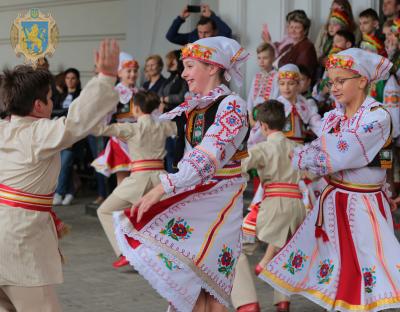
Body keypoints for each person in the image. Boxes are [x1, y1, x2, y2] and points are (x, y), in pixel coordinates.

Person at [113, 37, 249, 312]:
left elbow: (209, 154)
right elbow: (191, 156)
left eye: (189, 66)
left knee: (212, 285)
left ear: (212, 68)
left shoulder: (232, 105)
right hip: (199, 196)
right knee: (193, 281)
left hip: (220, 200)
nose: (184, 74)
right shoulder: (195, 107)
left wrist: (163, 187)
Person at [260, 48, 400, 312]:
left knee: (366, 267)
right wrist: (315, 153)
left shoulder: (377, 116)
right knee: (337, 268)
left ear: (361, 81)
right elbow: (321, 148)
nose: (333, 88)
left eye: (341, 81)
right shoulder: (333, 118)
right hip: (335, 201)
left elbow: (339, 152)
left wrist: (314, 153)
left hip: (363, 205)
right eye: (331, 82)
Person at [0, 39, 119, 312]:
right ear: (39, 105)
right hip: (20, 240)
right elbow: (77, 121)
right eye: (51, 98)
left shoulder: (4, 130)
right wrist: (105, 78)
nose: (53, 104)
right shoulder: (37, 134)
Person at [231, 100, 306, 312]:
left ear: (263, 126)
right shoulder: (298, 148)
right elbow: (313, 171)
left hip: (274, 204)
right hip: (297, 205)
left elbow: (240, 167)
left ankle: (247, 301)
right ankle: (283, 301)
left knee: (237, 245)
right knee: (284, 251)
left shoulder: (262, 148)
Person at [92, 91, 177, 269]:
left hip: (138, 179)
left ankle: (124, 251)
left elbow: (100, 129)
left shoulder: (132, 128)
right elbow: (181, 129)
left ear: (136, 109)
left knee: (105, 211)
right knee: (167, 217)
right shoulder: (164, 126)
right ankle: (176, 254)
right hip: (161, 179)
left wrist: (103, 112)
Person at [92, 52, 139, 185]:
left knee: (138, 176)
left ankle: (134, 205)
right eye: (128, 71)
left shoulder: (139, 92)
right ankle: (122, 205)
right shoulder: (115, 92)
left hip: (138, 137)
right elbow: (104, 115)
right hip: (121, 138)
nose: (132, 74)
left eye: (135, 71)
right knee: (123, 177)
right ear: (120, 73)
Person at [52, 68, 82, 206]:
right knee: (63, 165)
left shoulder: (81, 96)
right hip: (59, 134)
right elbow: (53, 111)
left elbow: (78, 116)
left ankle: (59, 193)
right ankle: (70, 192)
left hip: (73, 136)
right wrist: (66, 112)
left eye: (73, 78)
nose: (70, 81)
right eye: (67, 78)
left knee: (64, 164)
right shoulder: (60, 96)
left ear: (77, 80)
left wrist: (62, 113)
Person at [159, 50, 188, 173]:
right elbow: (160, 92)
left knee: (176, 152)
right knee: (168, 152)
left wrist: (165, 99)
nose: (169, 63)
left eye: (172, 60)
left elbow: (182, 96)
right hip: (167, 117)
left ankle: (176, 181)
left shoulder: (183, 77)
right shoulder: (171, 78)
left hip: (178, 118)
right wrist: (161, 100)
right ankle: (170, 181)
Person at [276, 11, 318, 81]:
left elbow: (301, 76)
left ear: (305, 30)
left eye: (297, 27)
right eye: (291, 27)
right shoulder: (288, 46)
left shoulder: (307, 47)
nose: (293, 30)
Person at [166, 4, 232, 45]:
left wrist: (212, 16)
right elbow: (171, 37)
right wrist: (180, 18)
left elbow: (227, 32)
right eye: (200, 32)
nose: (202, 36)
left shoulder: (219, 39)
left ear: (214, 31)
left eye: (206, 32)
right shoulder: (193, 37)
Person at [247, 42, 278, 127]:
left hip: (269, 117)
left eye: (265, 58)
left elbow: (275, 98)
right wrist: (250, 116)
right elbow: (250, 98)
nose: (261, 61)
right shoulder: (256, 76)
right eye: (259, 58)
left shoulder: (277, 76)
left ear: (273, 58)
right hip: (254, 115)